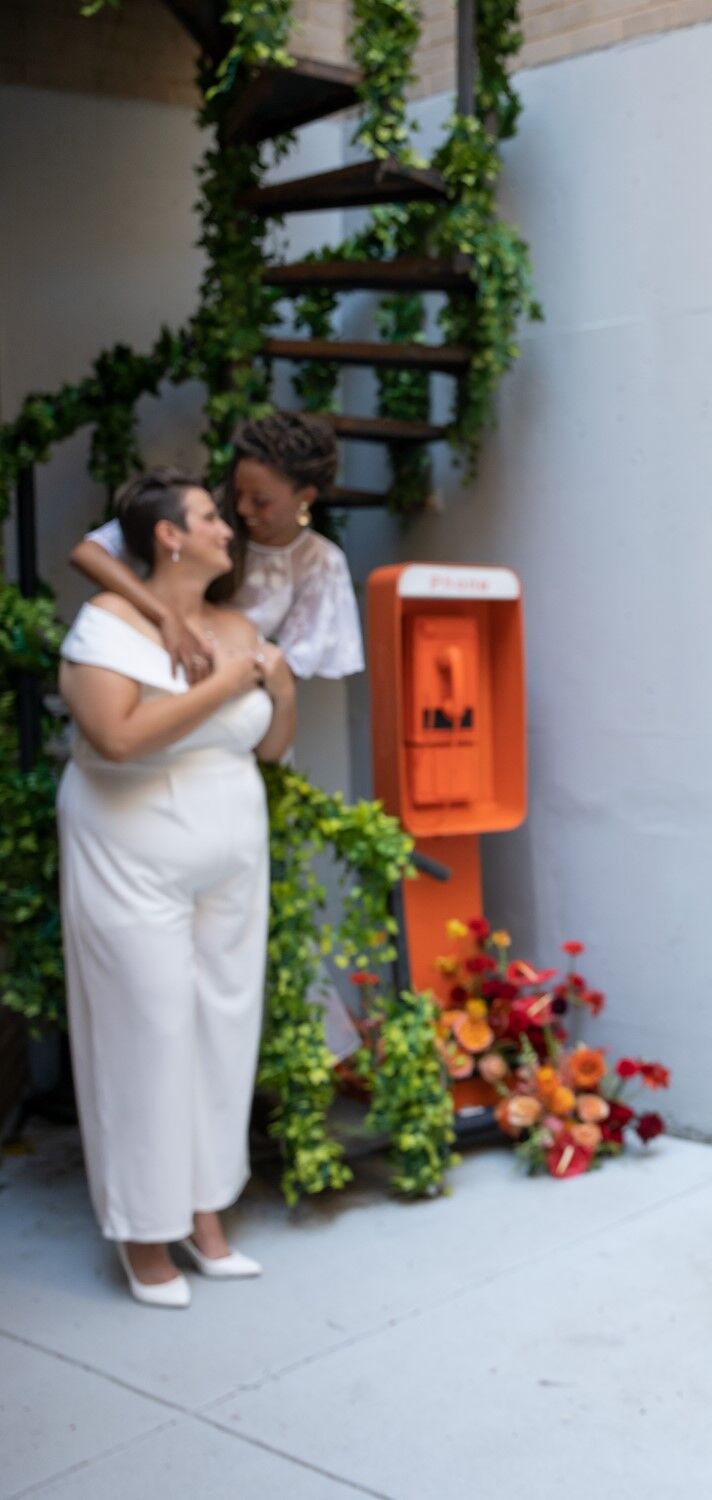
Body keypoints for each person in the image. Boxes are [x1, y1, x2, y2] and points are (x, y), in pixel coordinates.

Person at [57, 469, 296, 1308]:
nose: (229, 527)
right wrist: (227, 684)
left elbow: (268, 750)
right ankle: (141, 1233)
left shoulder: (237, 623)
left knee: (223, 1030)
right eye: (209, 516)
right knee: (146, 1035)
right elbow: (117, 739)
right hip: (131, 854)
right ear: (168, 535)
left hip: (231, 856)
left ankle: (205, 1217)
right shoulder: (107, 624)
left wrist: (280, 687)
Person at [69, 411, 364, 686]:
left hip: (235, 694)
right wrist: (165, 617)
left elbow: (286, 669)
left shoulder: (320, 561)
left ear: (306, 497)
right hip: (157, 664)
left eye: (261, 501)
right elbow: (89, 553)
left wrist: (225, 682)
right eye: (237, 491)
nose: (241, 507)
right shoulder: (200, 512)